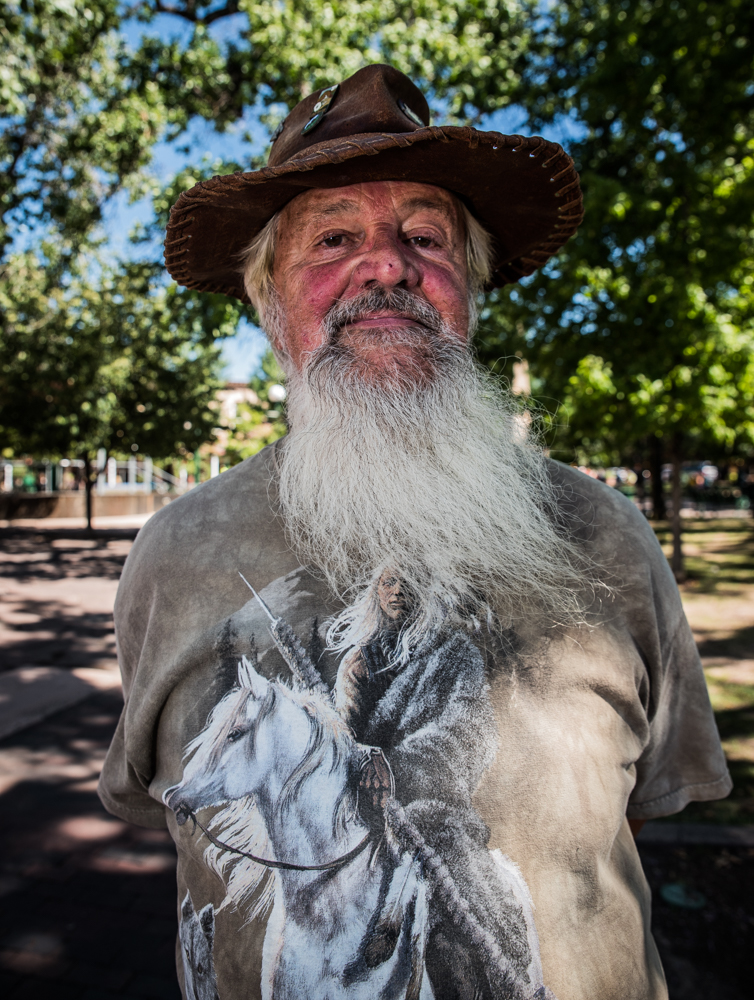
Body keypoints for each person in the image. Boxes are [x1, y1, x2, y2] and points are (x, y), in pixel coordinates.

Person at [99, 64, 731, 1000]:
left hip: (432, 810)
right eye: (335, 237)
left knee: (461, 880)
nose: (386, 263)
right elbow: (191, 824)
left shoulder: (605, 536)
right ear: (270, 303)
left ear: (468, 289)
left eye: (425, 236)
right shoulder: (176, 554)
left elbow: (621, 828)